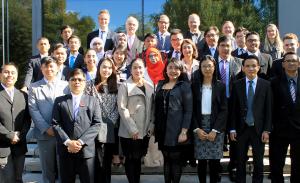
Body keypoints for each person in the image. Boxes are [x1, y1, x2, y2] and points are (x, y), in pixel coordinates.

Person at [52, 68, 101, 183]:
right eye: (73, 79)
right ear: (69, 82)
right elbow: (55, 124)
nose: (77, 82)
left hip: (86, 151)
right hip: (66, 150)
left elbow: (97, 124)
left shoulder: (93, 101)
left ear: (85, 83)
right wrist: (68, 142)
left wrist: (80, 142)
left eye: (80, 79)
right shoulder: (59, 101)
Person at [230, 55, 272, 183]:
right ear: (242, 68)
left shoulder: (266, 85)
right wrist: (232, 129)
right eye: (247, 66)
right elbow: (233, 109)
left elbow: (269, 109)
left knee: (258, 160)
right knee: (240, 159)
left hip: (258, 129)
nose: (251, 68)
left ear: (259, 67)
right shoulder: (237, 85)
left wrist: (267, 130)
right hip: (241, 129)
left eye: (254, 65)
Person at [28, 56, 69, 183]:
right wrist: (46, 128)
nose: (49, 69)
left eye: (52, 66)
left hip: (63, 133)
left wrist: (61, 129)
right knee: (47, 170)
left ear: (57, 68)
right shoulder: (34, 87)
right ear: (41, 68)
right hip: (45, 134)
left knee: (64, 168)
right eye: (46, 66)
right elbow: (33, 110)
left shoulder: (66, 85)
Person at [154, 58, 193, 183]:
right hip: (162, 129)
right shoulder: (160, 84)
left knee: (175, 160)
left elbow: (188, 111)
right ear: (166, 69)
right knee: (166, 159)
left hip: (176, 129)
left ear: (181, 71)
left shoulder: (185, 86)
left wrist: (184, 131)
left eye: (176, 68)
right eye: (170, 67)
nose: (173, 71)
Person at [192, 55, 228, 183]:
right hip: (200, 126)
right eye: (204, 66)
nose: (207, 68)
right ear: (200, 68)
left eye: (210, 66)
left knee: (214, 162)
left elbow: (224, 110)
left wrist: (215, 130)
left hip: (215, 126)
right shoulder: (195, 86)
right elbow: (191, 110)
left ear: (214, 67)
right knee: (201, 162)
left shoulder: (221, 86)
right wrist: (196, 129)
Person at [117, 58, 154, 183]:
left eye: (140, 67)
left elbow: (152, 108)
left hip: (144, 130)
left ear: (144, 69)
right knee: (131, 158)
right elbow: (122, 108)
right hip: (130, 130)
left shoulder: (149, 86)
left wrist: (151, 126)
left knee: (138, 158)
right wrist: (132, 129)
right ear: (130, 69)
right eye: (135, 67)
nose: (138, 70)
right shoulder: (125, 86)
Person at [85, 58, 119, 183]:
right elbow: (86, 105)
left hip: (110, 127)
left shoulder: (117, 85)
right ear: (98, 68)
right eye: (104, 67)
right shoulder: (90, 84)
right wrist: (97, 121)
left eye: (110, 68)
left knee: (106, 162)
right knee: (96, 161)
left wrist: (110, 121)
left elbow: (118, 107)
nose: (107, 70)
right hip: (94, 126)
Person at [270, 52, 300, 183]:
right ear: (283, 64)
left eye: (294, 61)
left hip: (299, 130)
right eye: (288, 61)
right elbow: (270, 106)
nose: (291, 63)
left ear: (298, 63)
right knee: (277, 164)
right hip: (279, 130)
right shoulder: (273, 83)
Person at [215, 36, 242, 181]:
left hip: (235, 106)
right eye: (223, 45)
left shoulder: (240, 63)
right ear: (218, 47)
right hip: (217, 107)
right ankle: (217, 168)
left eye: (228, 45)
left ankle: (234, 168)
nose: (226, 48)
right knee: (218, 138)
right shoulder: (211, 63)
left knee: (234, 139)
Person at [0, 63, 31, 183]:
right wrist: (9, 135)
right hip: (2, 147)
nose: (10, 75)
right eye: (6, 72)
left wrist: (20, 135)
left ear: (17, 76)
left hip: (19, 146)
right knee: (6, 180)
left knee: (18, 179)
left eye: (13, 73)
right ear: (0, 74)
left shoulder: (23, 95)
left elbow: (27, 119)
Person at [143, 47, 165, 167]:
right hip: (147, 108)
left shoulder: (165, 70)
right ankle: (150, 160)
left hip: (162, 108)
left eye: (155, 55)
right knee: (150, 134)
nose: (153, 58)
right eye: (150, 56)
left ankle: (160, 160)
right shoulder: (144, 71)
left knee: (160, 134)